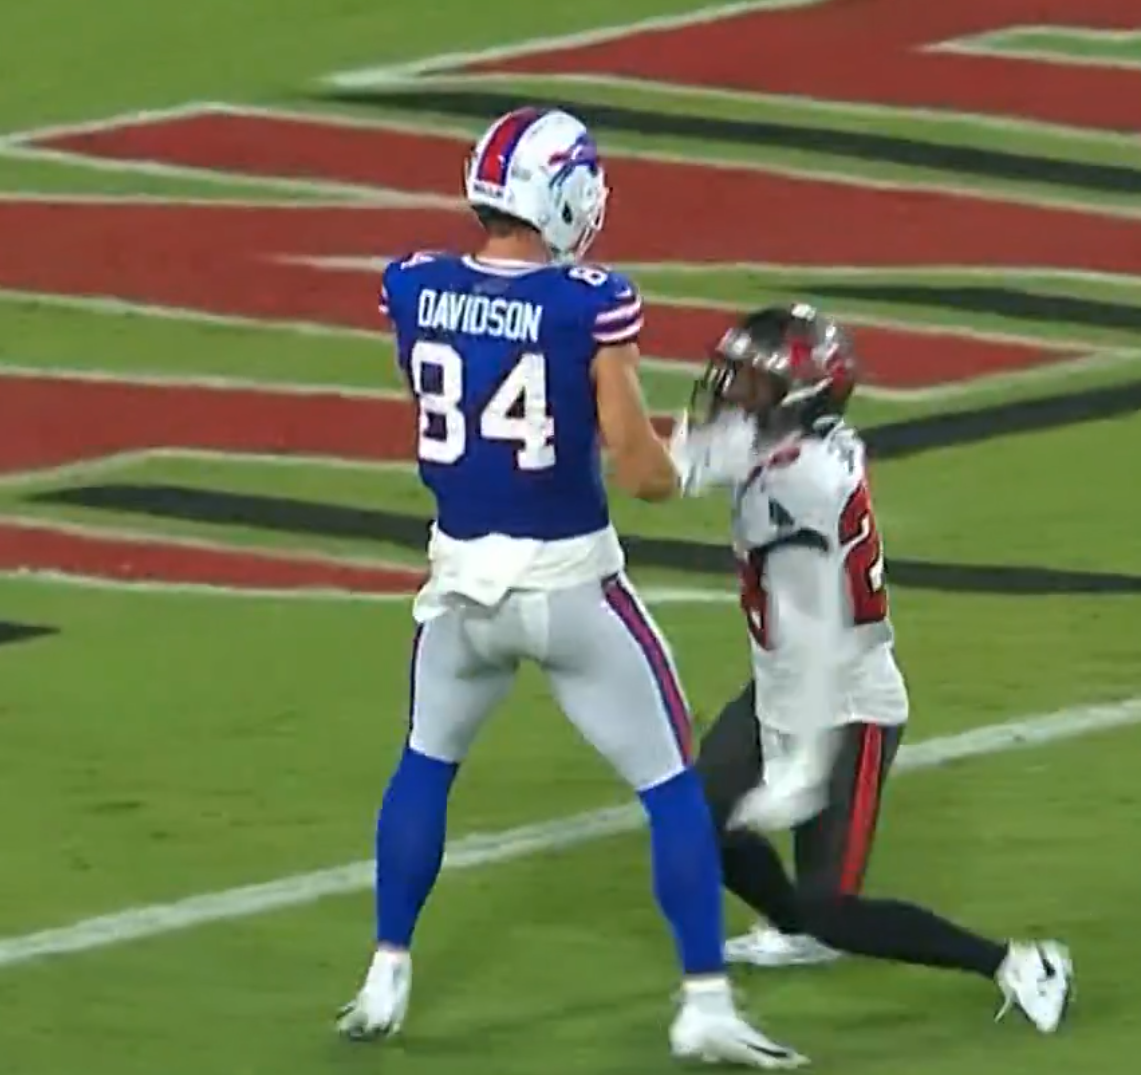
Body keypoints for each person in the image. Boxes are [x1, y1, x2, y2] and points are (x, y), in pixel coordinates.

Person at [336, 106, 804, 1068]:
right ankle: (705, 1000)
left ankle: (385, 970)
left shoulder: (413, 284)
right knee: (671, 788)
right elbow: (638, 469)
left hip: (458, 589)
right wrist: (714, 455)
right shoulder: (587, 303)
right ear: (559, 196)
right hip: (568, 587)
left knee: (425, 763)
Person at [668, 304, 1074, 1032]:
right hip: (785, 677)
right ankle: (797, 929)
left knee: (833, 906)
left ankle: (1018, 963)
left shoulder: (801, 482)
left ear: (798, 397)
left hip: (845, 698)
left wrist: (803, 763)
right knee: (696, 821)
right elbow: (672, 464)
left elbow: (820, 628)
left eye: (752, 381)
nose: (731, 391)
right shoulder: (796, 444)